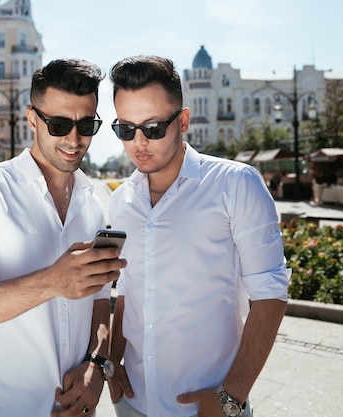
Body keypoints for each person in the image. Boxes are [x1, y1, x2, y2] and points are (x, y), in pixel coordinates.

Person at [0, 59, 126, 417]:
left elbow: (101, 296)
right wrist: (52, 282)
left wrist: (95, 365)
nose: (74, 139)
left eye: (86, 124)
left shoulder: (92, 202)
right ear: (31, 118)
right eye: (58, 124)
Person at [106, 55, 290, 417]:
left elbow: (271, 294)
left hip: (211, 408)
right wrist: (112, 363)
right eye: (126, 129)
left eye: (154, 128)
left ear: (183, 121)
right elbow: (127, 288)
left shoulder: (236, 184)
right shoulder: (120, 201)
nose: (138, 142)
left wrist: (231, 397)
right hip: (132, 403)